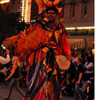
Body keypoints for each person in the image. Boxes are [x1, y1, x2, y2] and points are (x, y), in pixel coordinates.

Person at [2, 1, 71, 100]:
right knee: (37, 83)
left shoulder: (60, 29)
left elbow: (64, 43)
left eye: (52, 13)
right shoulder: (40, 26)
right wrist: (14, 40)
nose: (50, 15)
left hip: (52, 59)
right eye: (49, 13)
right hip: (39, 59)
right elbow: (26, 35)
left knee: (52, 83)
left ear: (56, 15)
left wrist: (66, 54)